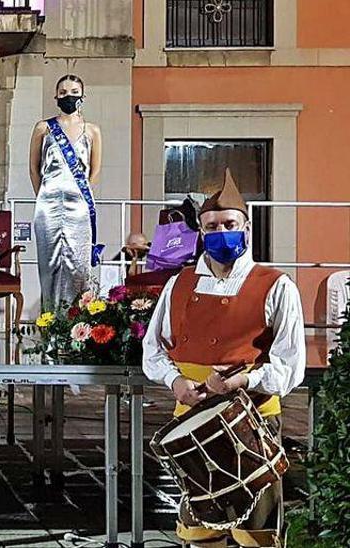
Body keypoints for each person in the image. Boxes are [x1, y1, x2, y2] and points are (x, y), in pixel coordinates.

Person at [141, 170, 304, 548]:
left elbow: (289, 364)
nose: (221, 232)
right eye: (212, 226)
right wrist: (176, 382)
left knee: (258, 534)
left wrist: (242, 381)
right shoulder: (179, 283)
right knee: (200, 531)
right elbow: (153, 348)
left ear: (246, 228)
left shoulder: (276, 285)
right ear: (200, 232)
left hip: (254, 419)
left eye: (230, 224)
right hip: (193, 416)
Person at [30, 74, 105, 310]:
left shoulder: (92, 131)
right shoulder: (43, 128)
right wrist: (43, 196)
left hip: (79, 205)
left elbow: (95, 171)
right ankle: (49, 322)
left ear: (82, 96)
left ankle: (77, 325)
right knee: (49, 266)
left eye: (73, 92)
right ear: (56, 96)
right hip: (48, 205)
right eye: (63, 92)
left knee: (79, 267)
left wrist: (83, 198)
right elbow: (33, 168)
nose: (68, 96)